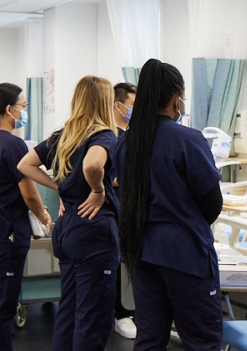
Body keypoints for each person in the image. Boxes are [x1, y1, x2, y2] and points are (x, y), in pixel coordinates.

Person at [119, 59, 224, 351]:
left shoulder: (126, 143)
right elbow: (212, 204)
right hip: (185, 254)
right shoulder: (187, 140)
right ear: (177, 99)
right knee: (201, 341)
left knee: (150, 339)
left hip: (143, 252)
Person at [18, 76, 119, 351]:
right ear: (105, 103)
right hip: (94, 229)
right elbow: (91, 166)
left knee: (70, 309)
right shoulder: (103, 136)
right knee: (93, 316)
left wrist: (60, 186)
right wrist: (97, 190)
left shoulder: (63, 135)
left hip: (69, 228)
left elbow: (25, 164)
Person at [0, 83, 51, 350]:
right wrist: (43, 215)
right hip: (3, 230)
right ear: (10, 109)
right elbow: (28, 192)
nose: (25, 110)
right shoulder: (13, 144)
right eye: (23, 106)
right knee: (3, 302)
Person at [111, 82, 138, 339]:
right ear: (118, 105)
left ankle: (131, 310)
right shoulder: (110, 136)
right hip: (115, 208)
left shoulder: (134, 135)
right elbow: (105, 176)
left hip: (133, 209)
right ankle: (120, 313)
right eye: (133, 105)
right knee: (119, 264)